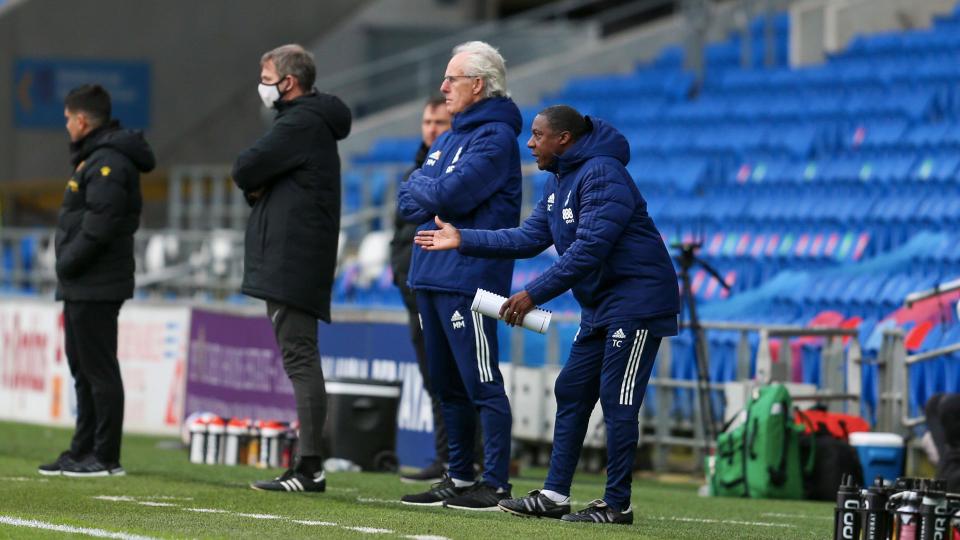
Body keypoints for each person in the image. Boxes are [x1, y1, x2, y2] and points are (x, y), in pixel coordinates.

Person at [414, 105, 681, 524]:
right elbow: (528, 236)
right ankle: (555, 495)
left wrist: (531, 294)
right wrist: (462, 237)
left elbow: (590, 248)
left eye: (538, 135)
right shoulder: (558, 180)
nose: (531, 143)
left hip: (638, 302)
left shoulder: (602, 174)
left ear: (564, 140)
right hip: (602, 306)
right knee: (572, 389)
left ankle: (617, 504)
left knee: (617, 398)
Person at [397, 41, 522, 510]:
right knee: (445, 384)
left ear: (478, 84)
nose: (443, 87)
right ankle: (458, 476)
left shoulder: (496, 140)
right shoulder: (449, 137)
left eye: (452, 79)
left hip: (470, 277)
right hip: (429, 274)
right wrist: (428, 192)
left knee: (481, 381)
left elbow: (449, 195)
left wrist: (427, 191)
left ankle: (495, 482)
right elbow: (408, 199)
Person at [232, 44, 352, 493]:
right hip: (298, 258)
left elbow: (245, 167)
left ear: (288, 81)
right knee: (301, 358)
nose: (261, 84)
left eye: (266, 75)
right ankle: (308, 463)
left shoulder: (301, 121)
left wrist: (259, 182)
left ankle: (310, 467)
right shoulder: (309, 122)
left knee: (301, 359)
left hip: (292, 260)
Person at [38, 84, 155, 477]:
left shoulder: (108, 162)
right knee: (81, 367)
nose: (67, 126)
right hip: (83, 282)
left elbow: (99, 224)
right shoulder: (95, 159)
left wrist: (67, 263)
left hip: (96, 281)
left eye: (69, 119)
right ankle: (82, 449)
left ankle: (105, 456)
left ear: (82, 120)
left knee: (98, 369)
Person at [391, 96, 456, 483]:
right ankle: (445, 455)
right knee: (433, 375)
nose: (432, 128)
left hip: (439, 286)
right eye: (427, 121)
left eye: (440, 122)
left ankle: (464, 459)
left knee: (453, 375)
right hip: (411, 287)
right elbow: (401, 231)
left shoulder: (452, 174)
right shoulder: (415, 171)